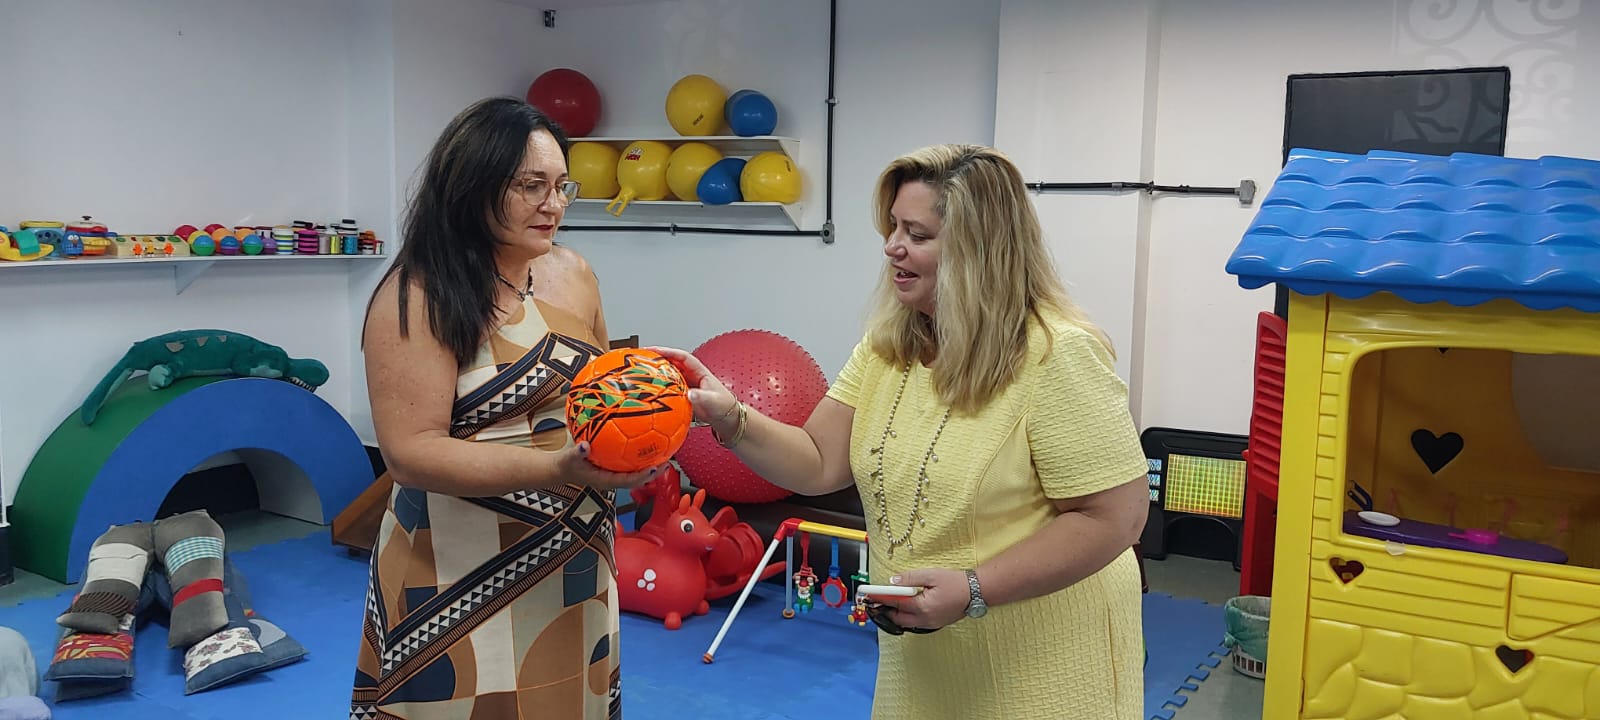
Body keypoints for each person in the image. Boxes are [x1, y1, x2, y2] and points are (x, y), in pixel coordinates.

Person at [656, 144, 1149, 719]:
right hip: (925, 653)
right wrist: (730, 417)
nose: (892, 246)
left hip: (1041, 657)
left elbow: (1115, 516)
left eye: (916, 232)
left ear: (977, 251)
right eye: (893, 226)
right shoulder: (891, 346)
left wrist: (974, 588)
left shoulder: (1057, 354)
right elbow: (818, 461)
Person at [351, 97, 660, 720]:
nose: (554, 204)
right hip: (457, 573)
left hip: (573, 561)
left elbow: (600, 399)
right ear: (471, 187)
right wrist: (556, 470)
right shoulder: (418, 295)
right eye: (530, 187)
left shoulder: (573, 274)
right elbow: (411, 454)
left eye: (561, 185)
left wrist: (656, 404)